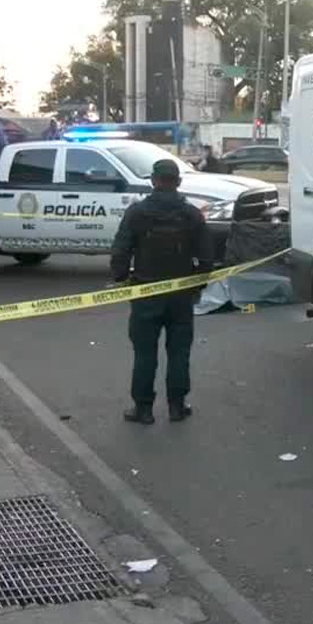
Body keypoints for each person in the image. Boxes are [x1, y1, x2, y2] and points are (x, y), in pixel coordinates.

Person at [109, 159, 213, 425]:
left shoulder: (137, 213)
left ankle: (143, 409)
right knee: (179, 352)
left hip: (145, 293)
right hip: (181, 296)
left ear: (154, 181)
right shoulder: (191, 215)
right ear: (177, 183)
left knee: (145, 353)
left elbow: (120, 250)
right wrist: (197, 285)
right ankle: (177, 407)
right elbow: (206, 257)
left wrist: (121, 279)